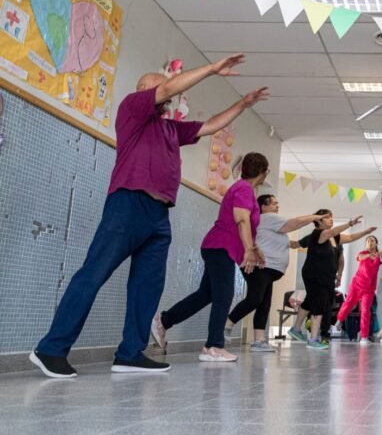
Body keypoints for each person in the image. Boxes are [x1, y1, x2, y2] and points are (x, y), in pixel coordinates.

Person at [29, 55, 268, 378]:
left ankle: (130, 353)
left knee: (147, 287)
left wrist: (243, 103)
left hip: (159, 215)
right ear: (144, 90)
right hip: (128, 204)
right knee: (93, 274)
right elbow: (168, 86)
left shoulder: (170, 129)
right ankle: (51, 349)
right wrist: (212, 69)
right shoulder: (132, 110)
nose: (168, 96)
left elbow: (211, 125)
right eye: (160, 90)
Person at [151, 153, 270, 362]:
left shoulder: (244, 190)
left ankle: (164, 320)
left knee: (206, 294)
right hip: (219, 247)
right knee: (224, 294)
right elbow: (241, 220)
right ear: (263, 173)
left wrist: (255, 248)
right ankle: (213, 346)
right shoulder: (243, 189)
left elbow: (243, 226)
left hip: (217, 247)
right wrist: (249, 250)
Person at [223, 195, 324, 352]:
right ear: (263, 207)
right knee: (255, 299)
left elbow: (291, 243)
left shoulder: (271, 225)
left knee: (264, 303)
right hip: (259, 266)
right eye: (274, 203)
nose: (277, 206)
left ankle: (258, 341)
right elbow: (295, 223)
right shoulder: (267, 218)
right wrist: (315, 217)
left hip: (268, 269)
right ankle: (227, 324)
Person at [287, 211, 375, 350]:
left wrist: (365, 232)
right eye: (327, 218)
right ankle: (313, 339)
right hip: (315, 274)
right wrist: (350, 223)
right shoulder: (318, 233)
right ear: (319, 221)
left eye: (331, 217)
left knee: (310, 301)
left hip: (326, 276)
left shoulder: (334, 237)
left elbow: (351, 237)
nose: (331, 220)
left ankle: (296, 329)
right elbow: (330, 232)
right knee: (319, 305)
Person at [332, 235, 382, 345]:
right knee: (348, 304)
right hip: (357, 284)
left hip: (369, 289)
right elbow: (360, 257)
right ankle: (340, 319)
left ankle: (364, 337)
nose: (370, 243)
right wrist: (370, 255)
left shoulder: (378, 256)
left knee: (366, 311)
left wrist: (379, 255)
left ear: (376, 243)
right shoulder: (363, 253)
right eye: (368, 241)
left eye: (372, 241)